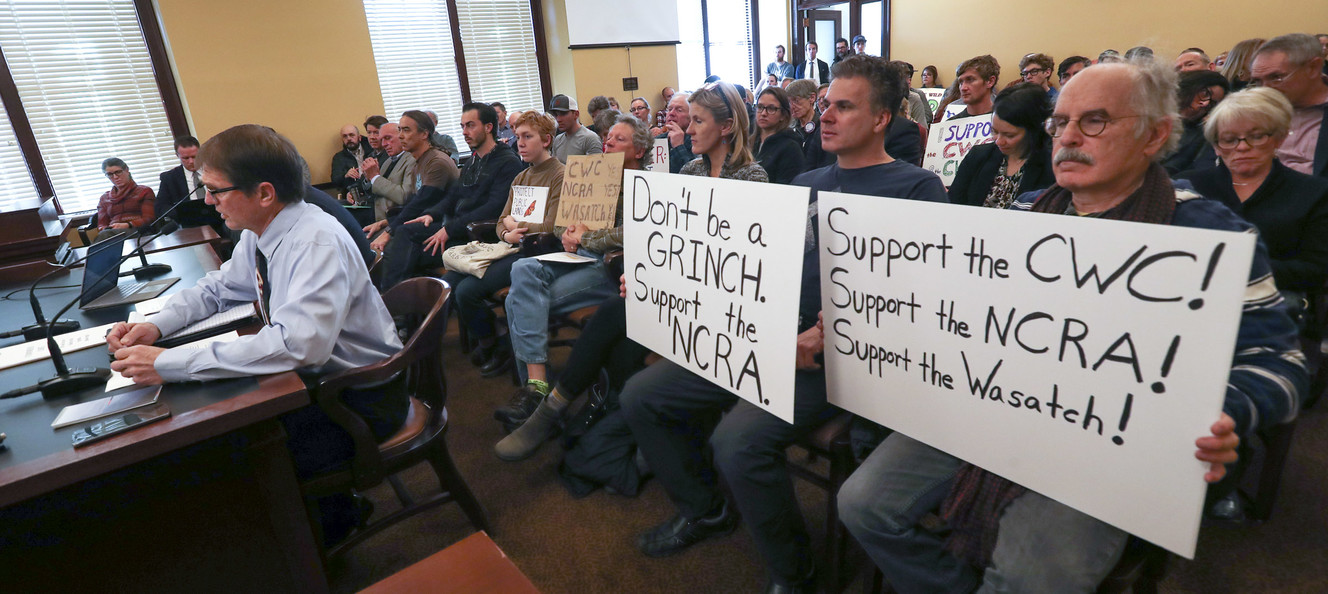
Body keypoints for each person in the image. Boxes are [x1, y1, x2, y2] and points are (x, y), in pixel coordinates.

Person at [838, 59, 1306, 594]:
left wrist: (1222, 414)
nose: (1068, 138)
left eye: (1095, 121)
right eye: (1059, 123)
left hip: (1108, 444)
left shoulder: (1207, 235)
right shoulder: (1023, 215)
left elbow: (1281, 366)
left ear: (1155, 135)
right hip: (987, 406)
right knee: (863, 505)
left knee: (1029, 577)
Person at [621, 56, 946, 594]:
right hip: (768, 334)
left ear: (882, 117)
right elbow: (750, 268)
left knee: (737, 443)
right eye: (826, 105)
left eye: (844, 106)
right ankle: (705, 510)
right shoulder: (806, 181)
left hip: (844, 357)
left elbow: (918, 300)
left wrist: (826, 333)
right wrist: (660, 281)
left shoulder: (916, 187)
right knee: (642, 395)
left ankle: (794, 575)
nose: (826, 115)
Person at [107, 124, 406, 547]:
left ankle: (317, 537)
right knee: (219, 428)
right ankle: (325, 520)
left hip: (358, 398)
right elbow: (219, 288)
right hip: (321, 381)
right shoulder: (262, 231)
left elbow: (297, 346)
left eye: (216, 190)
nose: (208, 201)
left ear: (264, 193)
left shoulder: (314, 242)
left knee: (231, 451)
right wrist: (158, 325)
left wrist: (168, 363)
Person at [495, 114, 652, 424]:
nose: (608, 142)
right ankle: (538, 392)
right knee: (523, 269)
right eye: (608, 137)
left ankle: (535, 392)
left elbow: (635, 231)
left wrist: (586, 237)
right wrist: (569, 234)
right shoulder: (593, 176)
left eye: (619, 139)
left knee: (518, 300)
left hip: (609, 267)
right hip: (578, 257)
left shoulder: (646, 185)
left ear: (639, 150)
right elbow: (561, 224)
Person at [1179, 87, 1328, 295]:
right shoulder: (1188, 186)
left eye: (1256, 136)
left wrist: (1239, 267)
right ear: (1216, 147)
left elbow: (1316, 269)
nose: (1242, 147)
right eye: (1229, 140)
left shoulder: (1314, 192)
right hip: (1191, 296)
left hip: (1276, 303)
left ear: (1279, 138)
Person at [456, 111, 565, 376]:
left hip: (539, 253)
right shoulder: (521, 177)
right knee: (456, 282)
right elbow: (499, 222)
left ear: (546, 140)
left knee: (466, 291)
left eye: (527, 137)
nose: (520, 144)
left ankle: (495, 344)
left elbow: (552, 226)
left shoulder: (560, 175)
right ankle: (495, 338)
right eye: (518, 137)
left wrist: (515, 227)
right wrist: (507, 234)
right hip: (513, 247)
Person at [379, 103, 523, 289]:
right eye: (462, 126)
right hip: (457, 227)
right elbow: (453, 196)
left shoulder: (507, 161)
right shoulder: (473, 160)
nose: (464, 132)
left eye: (470, 125)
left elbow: (494, 207)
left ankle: (393, 299)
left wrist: (449, 229)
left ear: (488, 127)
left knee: (407, 249)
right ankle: (396, 299)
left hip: (477, 234)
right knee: (406, 233)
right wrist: (431, 214)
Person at [362, 110, 460, 259]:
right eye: (400, 130)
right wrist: (386, 223)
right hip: (423, 219)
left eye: (406, 130)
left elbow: (421, 202)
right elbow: (413, 202)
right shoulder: (418, 162)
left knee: (394, 241)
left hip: (442, 224)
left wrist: (389, 230)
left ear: (424, 134)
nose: (401, 135)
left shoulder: (436, 161)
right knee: (367, 238)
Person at [949, 83, 1055, 208]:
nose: (999, 141)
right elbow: (953, 203)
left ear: (1034, 130)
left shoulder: (1051, 166)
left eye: (1009, 135)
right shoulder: (979, 156)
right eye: (994, 131)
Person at [1251, 33, 1328, 178]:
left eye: (1276, 77)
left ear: (1313, 67)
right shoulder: (1252, 109)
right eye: (1257, 81)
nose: (1265, 89)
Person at [1164, 70, 1229, 174]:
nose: (1205, 104)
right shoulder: (1149, 109)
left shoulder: (1200, 137)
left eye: (1212, 103)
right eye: (1205, 94)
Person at [155, 135, 224, 233]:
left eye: (194, 156)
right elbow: (160, 206)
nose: (191, 161)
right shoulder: (169, 178)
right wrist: (179, 214)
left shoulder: (216, 171)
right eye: (185, 158)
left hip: (220, 219)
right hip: (189, 225)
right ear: (177, 155)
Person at [360, 122, 417, 221]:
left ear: (402, 136)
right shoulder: (388, 161)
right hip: (377, 217)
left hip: (398, 221)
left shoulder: (413, 159)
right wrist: (368, 178)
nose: (383, 144)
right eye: (382, 140)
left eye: (387, 138)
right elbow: (377, 190)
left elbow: (405, 197)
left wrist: (374, 177)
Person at [753, 87, 807, 184]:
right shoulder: (749, 142)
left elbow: (788, 188)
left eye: (771, 108)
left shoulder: (790, 148)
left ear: (783, 115)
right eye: (760, 107)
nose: (763, 113)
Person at [95, 158, 154, 230]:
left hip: (137, 230)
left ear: (127, 170)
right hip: (112, 231)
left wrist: (128, 225)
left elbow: (149, 219)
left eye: (118, 172)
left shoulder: (144, 191)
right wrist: (108, 228)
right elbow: (101, 225)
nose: (115, 177)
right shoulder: (104, 198)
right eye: (110, 174)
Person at [550, 94, 603, 162]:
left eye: (563, 114)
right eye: (555, 115)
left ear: (576, 114)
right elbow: (555, 167)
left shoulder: (590, 138)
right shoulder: (558, 140)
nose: (558, 119)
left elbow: (597, 167)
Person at [653, 92, 694, 174]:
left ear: (691, 116)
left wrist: (679, 146)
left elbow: (694, 174)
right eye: (669, 109)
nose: (671, 113)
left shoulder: (697, 141)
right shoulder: (658, 141)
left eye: (679, 110)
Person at [951, 55, 1000, 119]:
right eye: (961, 82)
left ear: (990, 81)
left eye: (970, 80)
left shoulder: (1007, 120)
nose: (963, 88)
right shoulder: (952, 123)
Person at [332, 124, 371, 192]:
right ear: (342, 140)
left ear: (359, 137)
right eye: (345, 136)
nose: (349, 139)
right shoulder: (338, 157)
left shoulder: (371, 150)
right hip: (353, 191)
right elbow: (335, 181)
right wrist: (346, 175)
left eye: (352, 135)